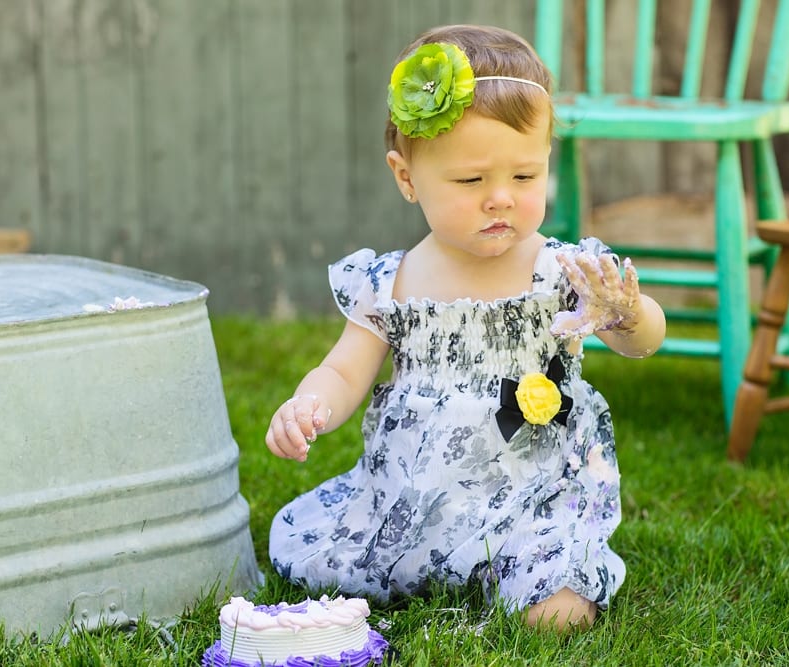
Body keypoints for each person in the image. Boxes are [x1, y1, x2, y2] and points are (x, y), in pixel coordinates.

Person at [265, 24, 666, 632]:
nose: (500, 198)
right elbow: (346, 369)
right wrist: (308, 404)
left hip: (535, 494)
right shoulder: (391, 282)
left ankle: (537, 572)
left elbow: (644, 341)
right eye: (471, 181)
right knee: (340, 569)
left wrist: (625, 313)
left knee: (556, 613)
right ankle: (434, 561)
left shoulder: (563, 269)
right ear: (406, 177)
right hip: (422, 496)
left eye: (525, 177)